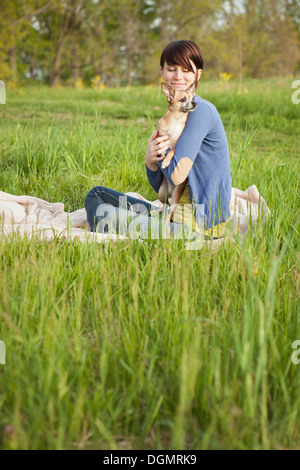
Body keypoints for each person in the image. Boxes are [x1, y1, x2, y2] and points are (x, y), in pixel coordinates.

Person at [84, 40, 232, 240]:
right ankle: (138, 226)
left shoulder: (200, 110)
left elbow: (177, 176)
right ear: (162, 72)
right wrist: (150, 160)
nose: (178, 76)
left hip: (197, 229)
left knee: (101, 212)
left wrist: (161, 155)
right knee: (98, 194)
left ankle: (126, 228)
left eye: (187, 70)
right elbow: (162, 191)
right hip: (174, 217)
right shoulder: (174, 117)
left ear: (198, 74)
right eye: (172, 68)